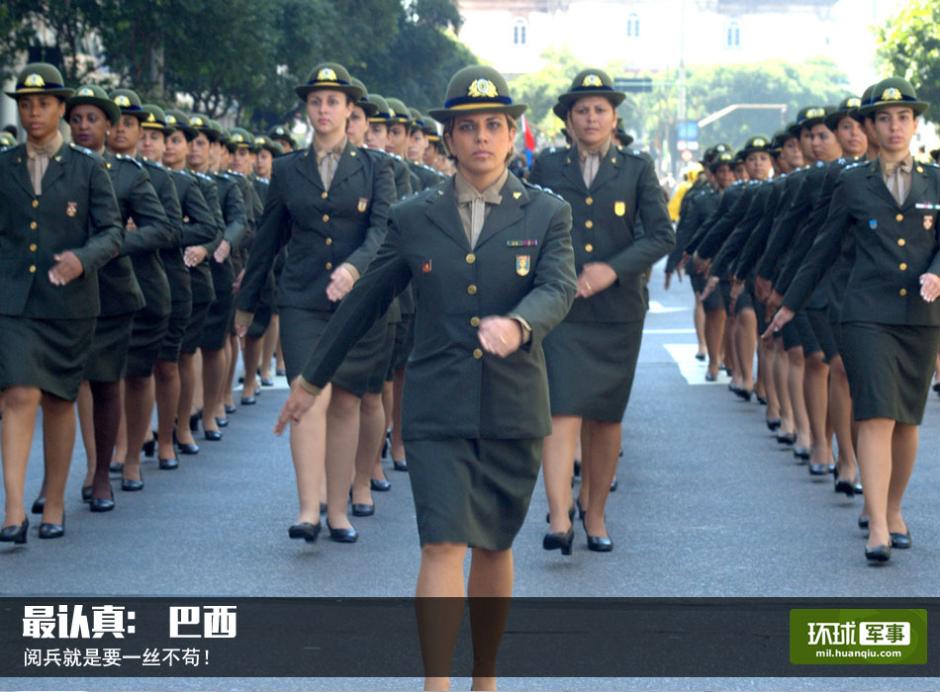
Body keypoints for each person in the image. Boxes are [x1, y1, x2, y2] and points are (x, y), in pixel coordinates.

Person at [276, 64, 576, 691]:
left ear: (512, 130)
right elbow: (363, 302)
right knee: (441, 543)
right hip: (437, 404)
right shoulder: (414, 216)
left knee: (494, 546)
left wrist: (519, 326)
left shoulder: (547, 212)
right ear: (449, 138)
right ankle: (436, 681)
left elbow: (558, 286)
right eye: (468, 127)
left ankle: (484, 675)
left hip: (514, 405)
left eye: (494, 125)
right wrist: (310, 380)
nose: (482, 138)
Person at [768, 78, 940, 562]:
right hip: (864, 313)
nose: (893, 126)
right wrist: (790, 303)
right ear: (868, 127)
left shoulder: (935, 178)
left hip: (921, 316)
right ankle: (878, 524)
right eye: (883, 118)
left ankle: (894, 506)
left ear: (914, 124)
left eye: (903, 117)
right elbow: (822, 248)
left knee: (907, 420)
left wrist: (937, 274)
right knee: (876, 412)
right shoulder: (851, 182)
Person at [235, 62, 395, 544]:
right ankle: (308, 509)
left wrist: (355, 268)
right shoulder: (286, 170)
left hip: (357, 302)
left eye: (333, 101)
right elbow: (267, 240)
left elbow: (383, 232)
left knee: (345, 399)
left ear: (350, 110)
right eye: (316, 101)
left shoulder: (375, 168)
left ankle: (339, 510)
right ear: (307, 109)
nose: (323, 109)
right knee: (309, 393)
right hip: (303, 298)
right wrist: (245, 304)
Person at [529, 68, 675, 553]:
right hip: (562, 308)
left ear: (614, 118)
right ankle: (557, 516)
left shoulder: (636, 169)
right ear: (567, 120)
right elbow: (527, 227)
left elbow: (659, 234)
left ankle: (594, 513)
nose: (590, 117)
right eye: (581, 110)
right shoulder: (547, 168)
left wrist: (612, 270)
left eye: (599, 110)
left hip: (617, 311)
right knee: (561, 408)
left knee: (605, 419)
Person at [0, 64, 122, 543]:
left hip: (70, 303)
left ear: (61, 111)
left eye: (44, 104)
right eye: (26, 104)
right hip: (12, 302)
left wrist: (83, 259)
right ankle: (13, 509)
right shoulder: (4, 165)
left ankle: (54, 501)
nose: (33, 112)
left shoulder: (88, 167)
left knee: (58, 400)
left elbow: (111, 231)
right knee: (18, 393)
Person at [161, 110, 221, 458]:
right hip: (149, 280)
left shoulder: (200, 186)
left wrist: (205, 248)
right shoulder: (141, 178)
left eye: (175, 140)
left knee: (183, 355)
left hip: (190, 277)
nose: (168, 146)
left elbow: (213, 226)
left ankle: (182, 424)